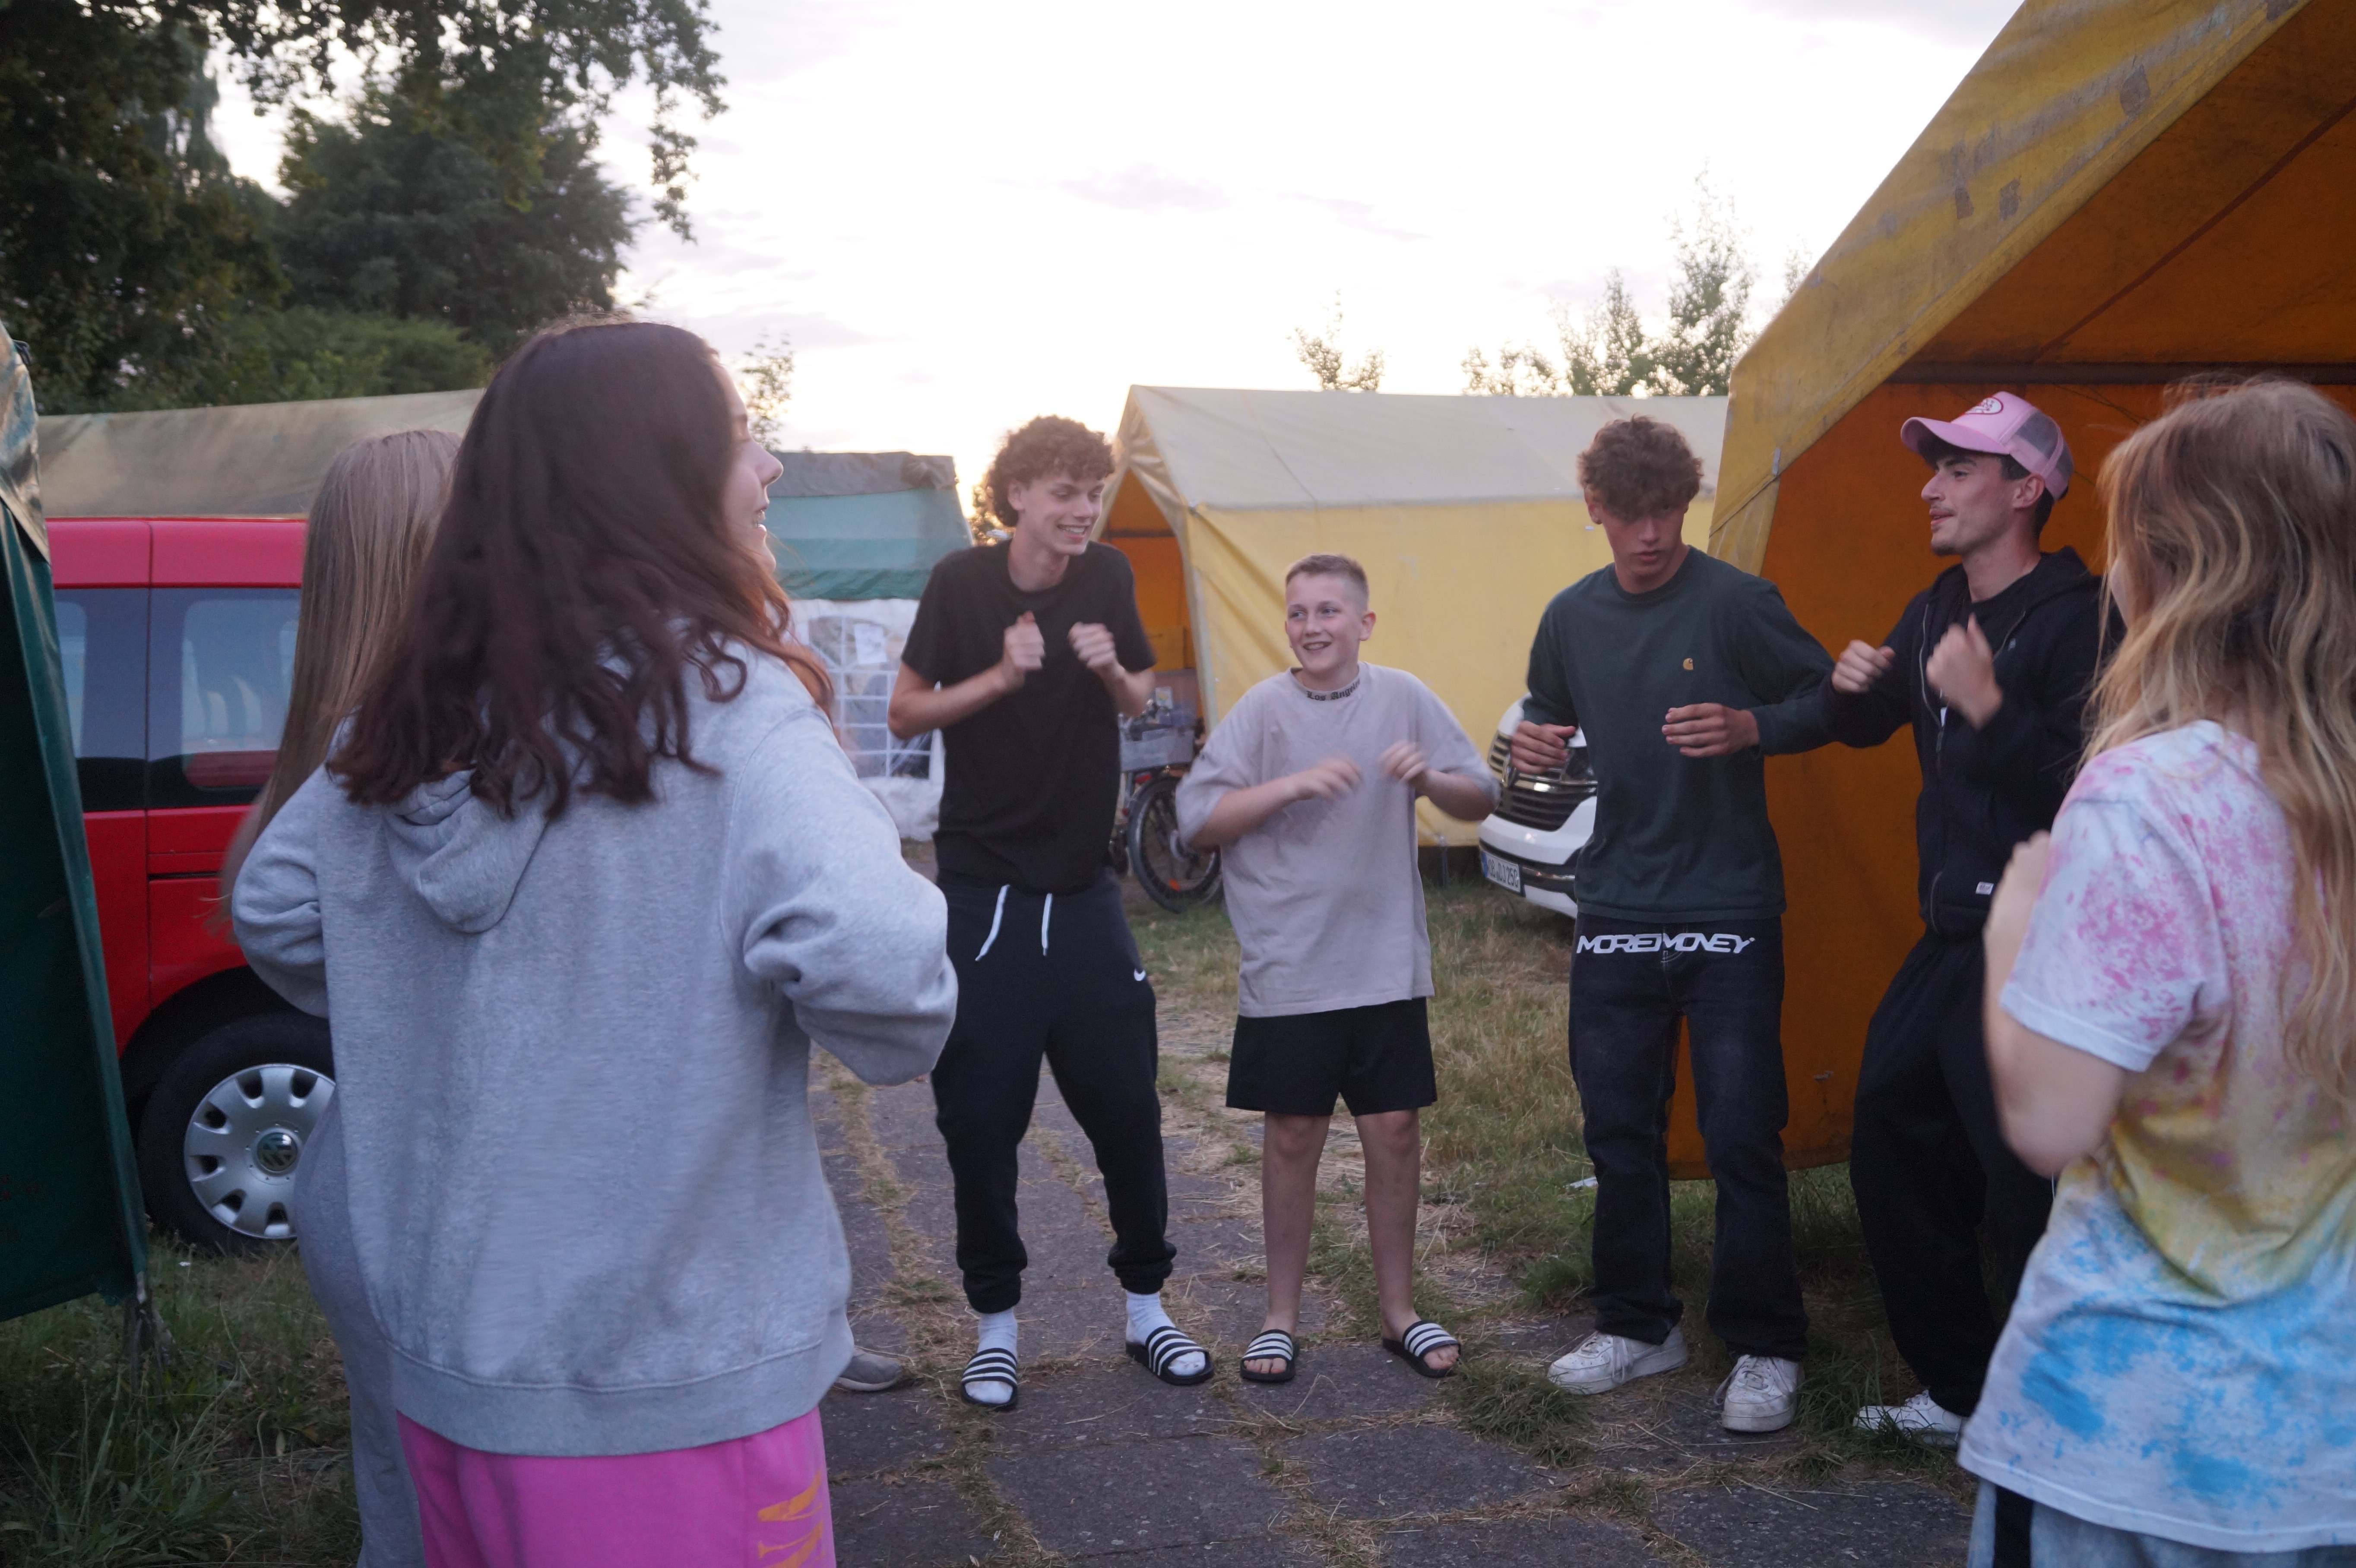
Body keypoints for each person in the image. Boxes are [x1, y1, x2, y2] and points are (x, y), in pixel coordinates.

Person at [234, 318, 956, 1568]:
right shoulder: (730, 709)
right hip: (669, 1387)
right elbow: (894, 985)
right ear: (656, 479)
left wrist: (444, 998)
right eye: (741, 436)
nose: (771, 465)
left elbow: (279, 906)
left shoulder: (412, 712)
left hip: (449, 1376)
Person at [1963, 379, 2356, 1566]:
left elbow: (2049, 1122)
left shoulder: (2153, 797)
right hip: (2327, 1447)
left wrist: (2011, 930)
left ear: (2176, 572)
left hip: (2127, 1448)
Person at [1786, 392, 2101, 1450]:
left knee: (2024, 1191)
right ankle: (1962, 1386)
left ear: (2026, 489)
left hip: (2040, 942)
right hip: (1951, 939)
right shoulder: (1937, 608)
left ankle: (2047, 1413)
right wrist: (1846, 690)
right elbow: (1867, 720)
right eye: (1935, 467)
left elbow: (2088, 787)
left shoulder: (2081, 617)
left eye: (1960, 469)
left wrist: (1989, 707)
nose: (1931, 487)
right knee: (1889, 1138)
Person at [1512, 415, 1836, 1434]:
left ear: (1685, 504)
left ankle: (1765, 1344)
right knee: (1618, 1131)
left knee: (1741, 1131)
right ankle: (1636, 1324)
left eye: (1665, 511)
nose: (1650, 534)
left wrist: (1750, 726)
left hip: (1729, 902)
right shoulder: (1570, 615)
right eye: (1629, 514)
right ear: (1595, 509)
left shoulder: (1736, 603)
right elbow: (1546, 715)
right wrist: (1535, 741)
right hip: (1615, 900)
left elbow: (1830, 699)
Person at [887, 415, 1203, 1410]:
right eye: (1064, 492)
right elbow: (904, 709)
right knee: (980, 1121)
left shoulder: (1106, 573)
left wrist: (1108, 667)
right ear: (1016, 495)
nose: (1082, 511)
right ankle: (996, 1327)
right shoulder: (960, 583)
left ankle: (1146, 1310)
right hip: (984, 895)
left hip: (1083, 892)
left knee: (1127, 1108)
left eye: (1090, 493)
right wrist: (1000, 674)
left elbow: (1138, 695)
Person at [215, 428, 459, 1568]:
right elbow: (272, 910)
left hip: (361, 1179)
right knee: (449, 1501)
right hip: (420, 1196)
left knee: (400, 1483)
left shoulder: (333, 754)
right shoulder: (413, 747)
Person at [1174, 553, 1498, 1385]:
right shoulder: (1263, 710)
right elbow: (1197, 822)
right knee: (1293, 1136)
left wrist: (1430, 777)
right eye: (1298, 613)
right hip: (1292, 965)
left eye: (1328, 611)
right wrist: (1288, 787)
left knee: (1394, 1132)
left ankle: (1400, 1312)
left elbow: (1481, 795)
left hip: (1385, 962)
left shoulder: (1404, 696)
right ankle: (1280, 1318)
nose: (1311, 626)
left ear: (1364, 623)